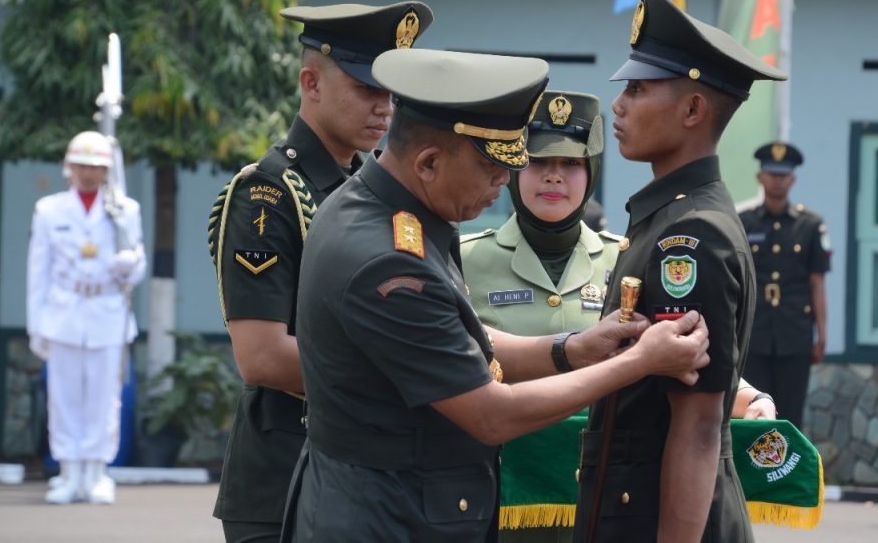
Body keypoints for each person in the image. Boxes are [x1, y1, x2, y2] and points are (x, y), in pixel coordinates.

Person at [291, 48, 713, 542]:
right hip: (388, 519)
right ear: (428, 162)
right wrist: (637, 363)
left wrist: (571, 349)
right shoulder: (389, 263)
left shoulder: (382, 206)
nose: (501, 186)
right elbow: (493, 414)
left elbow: (458, 336)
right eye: (492, 171)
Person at [462, 91, 777, 542]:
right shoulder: (464, 258)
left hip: (600, 498)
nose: (554, 177)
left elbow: (681, 343)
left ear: (591, 174)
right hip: (497, 501)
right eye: (538, 162)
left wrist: (746, 396)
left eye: (571, 165)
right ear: (514, 167)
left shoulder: (624, 257)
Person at [208, 1, 433, 543]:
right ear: (311, 82)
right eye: (366, 89)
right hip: (283, 474)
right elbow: (260, 357)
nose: (384, 109)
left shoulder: (376, 193)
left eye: (391, 94)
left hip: (363, 474)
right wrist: (413, 383)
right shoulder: (267, 192)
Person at [572, 0, 787, 543]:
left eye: (638, 90)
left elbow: (697, 427)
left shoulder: (690, 236)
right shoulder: (667, 217)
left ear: (693, 109)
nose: (617, 105)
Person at [26, 130, 146, 505]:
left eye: (96, 167)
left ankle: (96, 472)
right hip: (64, 312)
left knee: (102, 398)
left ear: (107, 170)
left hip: (107, 311)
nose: (89, 173)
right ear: (69, 167)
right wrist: (36, 325)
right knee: (63, 399)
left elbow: (136, 267)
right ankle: (68, 473)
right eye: (82, 165)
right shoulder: (49, 209)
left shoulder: (125, 209)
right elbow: (37, 271)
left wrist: (131, 264)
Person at [738, 142, 830, 428]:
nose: (777, 180)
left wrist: (822, 334)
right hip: (755, 333)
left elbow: (817, 282)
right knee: (753, 413)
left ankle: (789, 472)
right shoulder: (743, 221)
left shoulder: (810, 224)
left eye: (783, 175)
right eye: (772, 174)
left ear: (793, 179)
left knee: (790, 413)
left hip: (795, 333)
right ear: (760, 177)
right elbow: (737, 280)